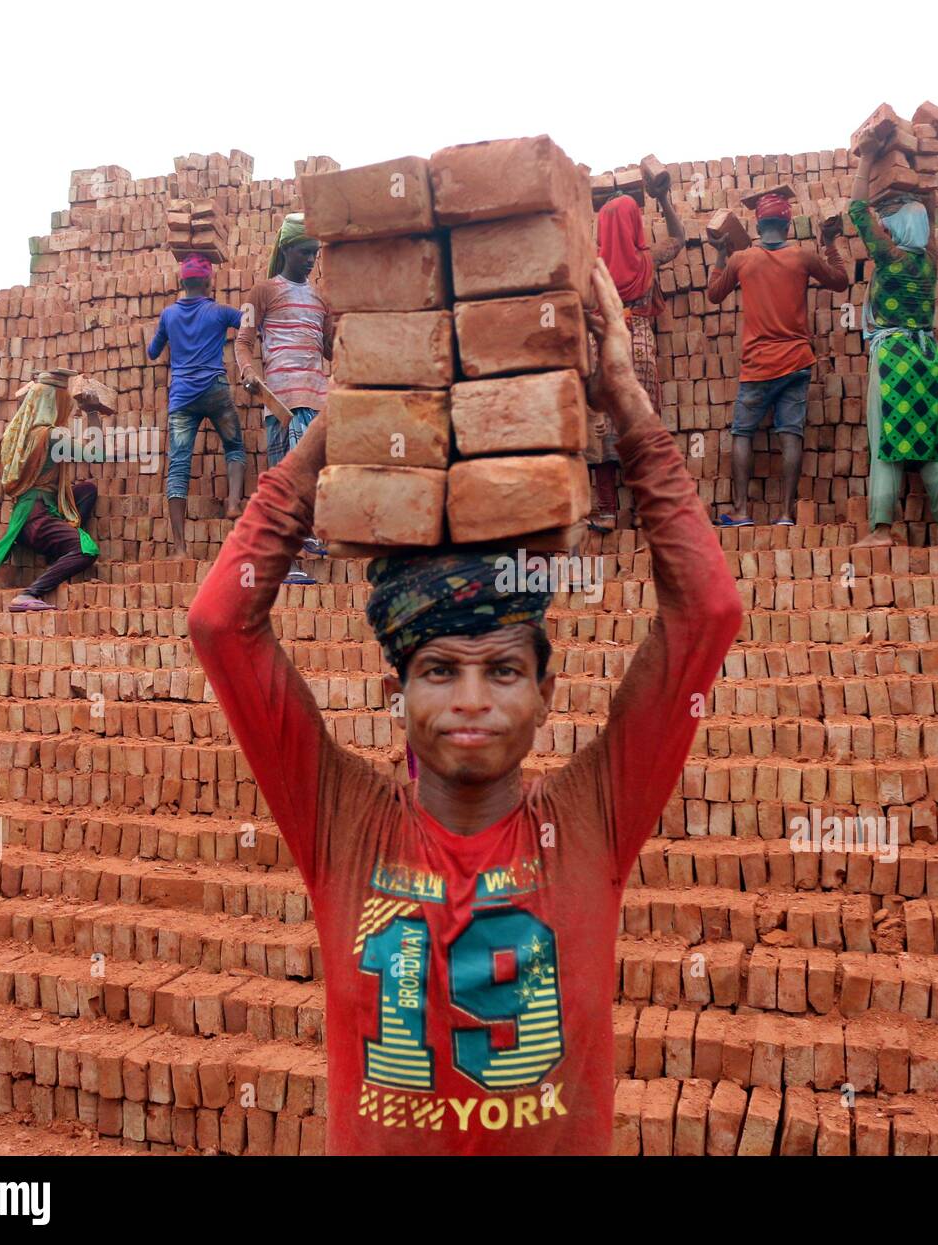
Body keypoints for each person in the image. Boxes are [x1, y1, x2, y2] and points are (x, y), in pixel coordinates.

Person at [186, 258, 742, 1155]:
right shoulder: (342, 823)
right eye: (439, 670)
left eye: (504, 672)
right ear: (394, 693)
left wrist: (625, 402)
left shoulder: (593, 820)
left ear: (547, 692)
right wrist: (340, 419)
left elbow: (708, 612)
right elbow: (220, 622)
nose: (472, 701)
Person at [846, 130, 938, 548]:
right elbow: (926, 217)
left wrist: (867, 157)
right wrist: (923, 184)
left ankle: (881, 529)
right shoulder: (930, 261)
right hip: (928, 357)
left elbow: (857, 210)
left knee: (887, 443)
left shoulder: (890, 260)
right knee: (933, 444)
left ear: (895, 229)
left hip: (892, 357)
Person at [708, 193, 848, 527]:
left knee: (742, 432)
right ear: (787, 225)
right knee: (791, 434)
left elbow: (713, 294)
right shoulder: (803, 257)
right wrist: (830, 242)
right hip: (796, 363)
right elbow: (841, 281)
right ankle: (786, 513)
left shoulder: (742, 260)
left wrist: (719, 254)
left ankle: (741, 510)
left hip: (757, 366)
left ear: (757, 224)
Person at [236, 212, 336, 583]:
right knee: (283, 478)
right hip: (280, 400)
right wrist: (249, 372)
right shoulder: (262, 293)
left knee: (312, 477)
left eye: (316, 254)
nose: (311, 260)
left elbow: (329, 348)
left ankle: (307, 538)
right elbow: (243, 342)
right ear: (286, 249)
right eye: (305, 252)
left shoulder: (320, 299)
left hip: (317, 398)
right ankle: (286, 562)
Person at [0, 371, 101, 612]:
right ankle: (29, 594)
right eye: (64, 400)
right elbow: (95, 454)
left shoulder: (21, 432)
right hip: (39, 519)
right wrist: (93, 411)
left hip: (26, 514)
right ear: (54, 403)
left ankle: (56, 549)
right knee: (87, 550)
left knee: (87, 490)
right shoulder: (52, 436)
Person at [587, 188, 685, 530]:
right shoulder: (648, 259)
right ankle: (648, 511)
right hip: (639, 345)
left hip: (603, 345)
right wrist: (664, 199)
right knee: (640, 425)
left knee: (602, 425)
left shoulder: (592, 268)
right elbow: (679, 237)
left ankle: (607, 511)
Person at [146, 255, 247, 559]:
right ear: (207, 282)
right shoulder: (217, 311)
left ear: (181, 283)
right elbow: (247, 322)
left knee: (178, 467)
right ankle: (232, 502)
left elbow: (152, 352)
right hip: (215, 391)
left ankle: (179, 549)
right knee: (234, 447)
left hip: (182, 399)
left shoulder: (168, 315)